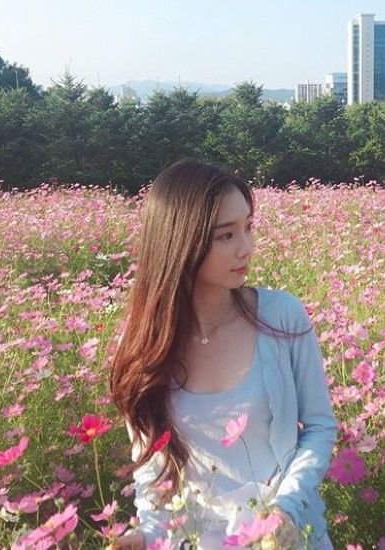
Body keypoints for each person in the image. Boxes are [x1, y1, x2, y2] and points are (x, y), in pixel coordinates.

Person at [109, 158, 338, 549]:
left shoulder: (282, 316)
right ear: (181, 242)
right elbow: (153, 468)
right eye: (226, 235)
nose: (246, 248)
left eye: (248, 227)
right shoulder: (145, 344)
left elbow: (319, 427)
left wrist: (284, 509)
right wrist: (145, 535)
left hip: (285, 537)